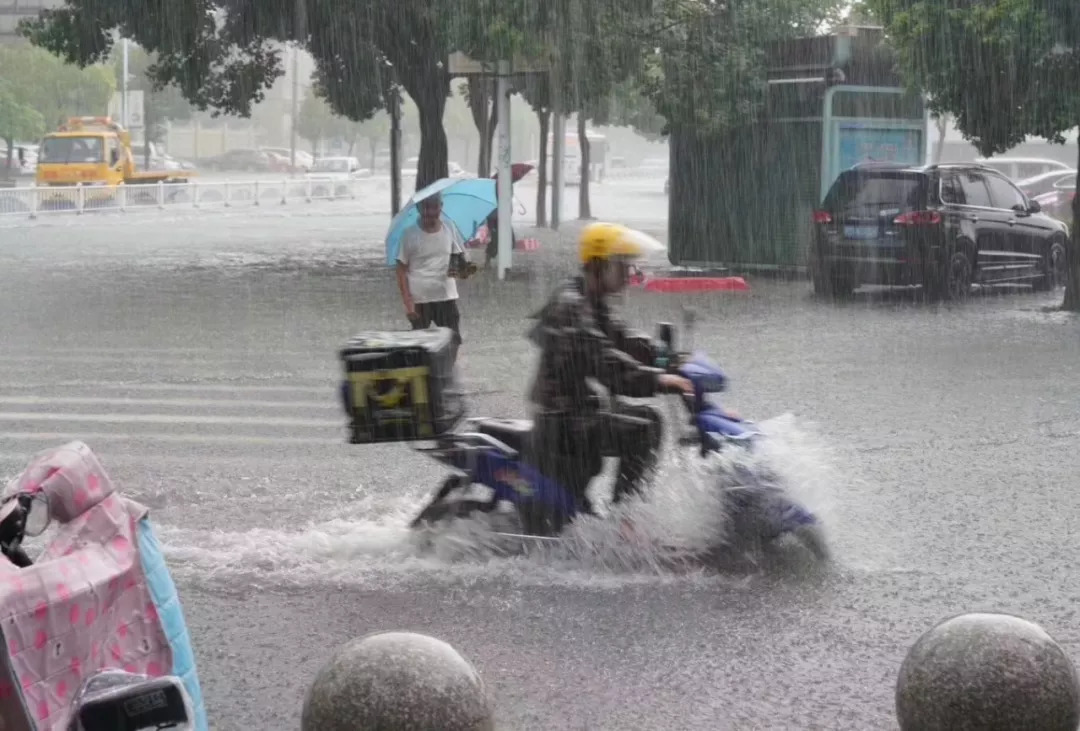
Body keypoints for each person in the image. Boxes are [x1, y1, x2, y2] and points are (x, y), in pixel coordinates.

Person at [523, 222, 694, 534]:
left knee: (646, 419)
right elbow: (606, 363)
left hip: (575, 410)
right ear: (600, 265)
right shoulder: (571, 307)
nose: (628, 275)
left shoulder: (588, 299)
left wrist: (667, 359)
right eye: (621, 266)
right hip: (561, 419)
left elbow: (622, 338)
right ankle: (624, 524)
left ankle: (622, 514)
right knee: (642, 430)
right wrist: (659, 380)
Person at [395, 194, 474, 362]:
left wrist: (464, 270)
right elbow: (401, 269)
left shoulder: (449, 228)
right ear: (418, 209)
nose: (430, 212)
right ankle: (423, 377)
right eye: (426, 207)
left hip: (446, 296)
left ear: (441, 206)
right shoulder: (409, 235)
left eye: (434, 207)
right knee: (418, 345)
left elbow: (457, 260)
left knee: (453, 340)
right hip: (420, 299)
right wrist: (408, 302)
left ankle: (446, 375)